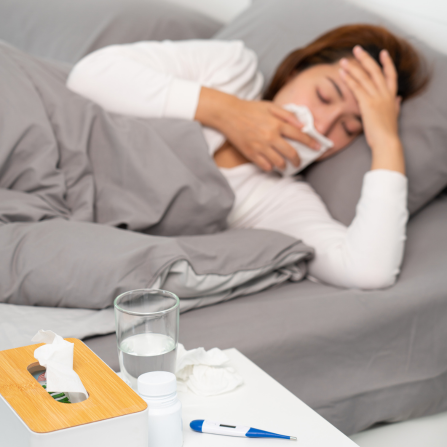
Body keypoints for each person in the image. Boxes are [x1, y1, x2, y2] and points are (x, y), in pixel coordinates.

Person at [66, 24, 428, 290]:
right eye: (324, 95)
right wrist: (227, 111)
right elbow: (87, 77)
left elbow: (367, 270)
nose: (321, 125)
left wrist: (386, 142)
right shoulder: (231, 71)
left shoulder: (278, 200)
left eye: (350, 129)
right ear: (296, 69)